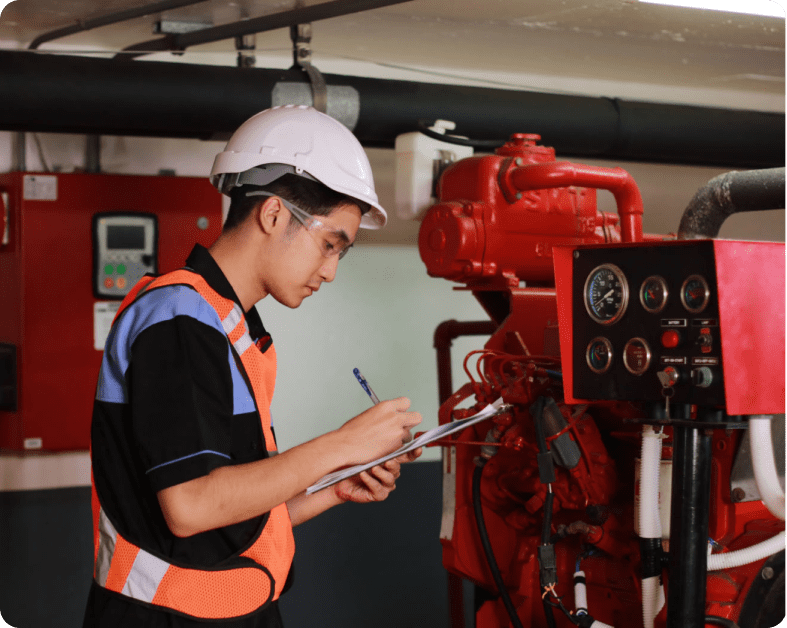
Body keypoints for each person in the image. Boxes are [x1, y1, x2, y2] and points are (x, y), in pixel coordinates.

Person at [83, 105, 423, 628]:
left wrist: (332, 486)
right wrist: (342, 444)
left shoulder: (229, 325)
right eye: (330, 244)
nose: (330, 271)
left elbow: (230, 511)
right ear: (273, 215)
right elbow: (192, 506)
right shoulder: (179, 319)